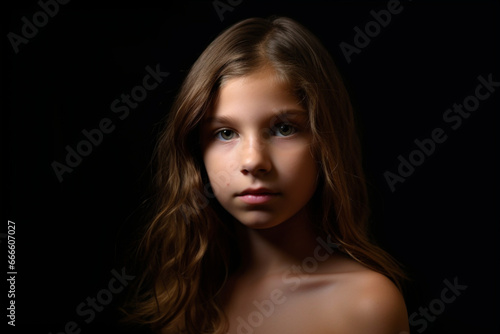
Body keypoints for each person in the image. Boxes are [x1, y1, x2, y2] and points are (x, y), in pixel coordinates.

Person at [122, 16, 410, 334]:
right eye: (225, 133)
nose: (253, 161)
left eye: (284, 129)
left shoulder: (366, 304)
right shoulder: (186, 301)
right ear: (195, 149)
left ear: (326, 141)